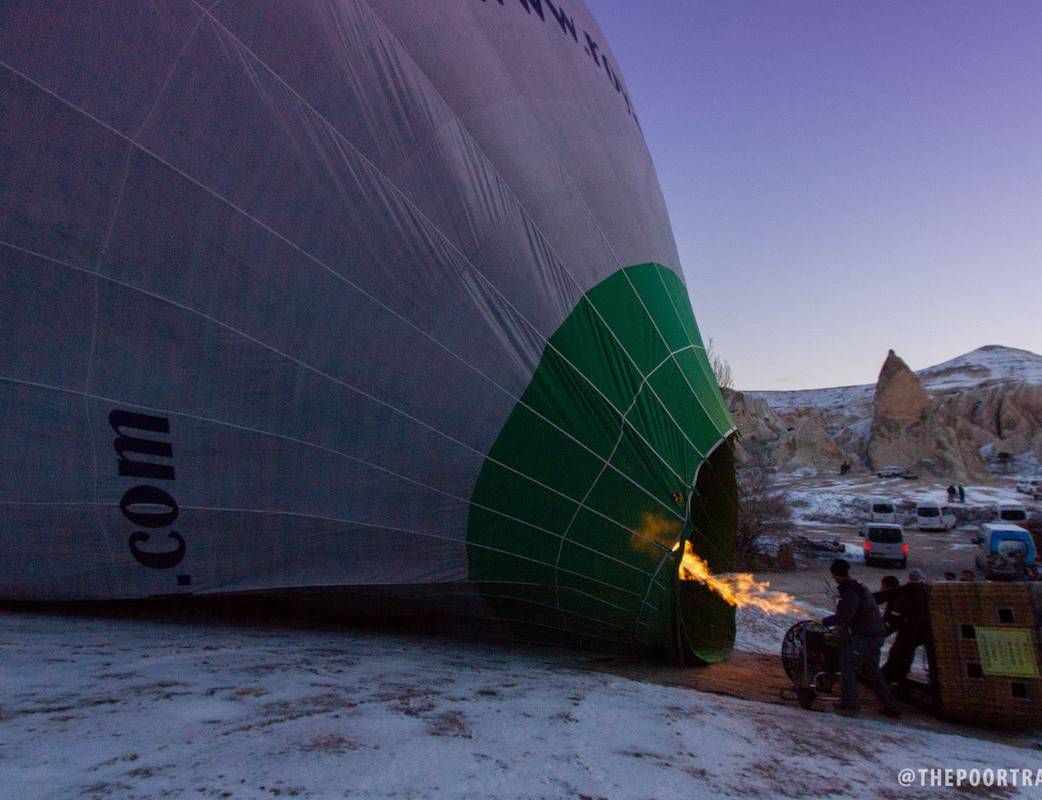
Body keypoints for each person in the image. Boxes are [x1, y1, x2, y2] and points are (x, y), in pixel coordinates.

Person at [823, 559, 901, 718]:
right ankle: (891, 706)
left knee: (847, 663)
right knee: (873, 671)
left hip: (867, 635)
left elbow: (847, 615)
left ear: (835, 574)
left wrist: (827, 621)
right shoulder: (857, 587)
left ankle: (850, 703)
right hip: (875, 633)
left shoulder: (850, 590)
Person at [878, 569, 929, 690]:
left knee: (898, 654)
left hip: (911, 630)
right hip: (915, 630)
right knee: (902, 654)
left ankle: (893, 682)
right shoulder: (918, 591)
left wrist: (881, 633)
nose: (880, 588)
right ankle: (896, 680)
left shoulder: (900, 596)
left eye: (882, 586)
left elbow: (894, 620)